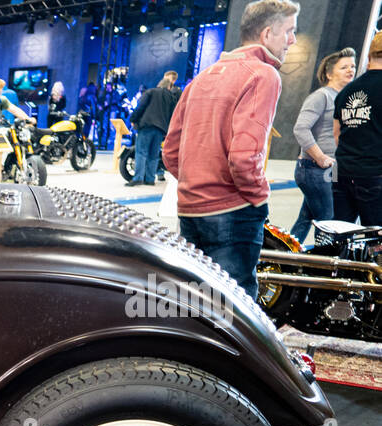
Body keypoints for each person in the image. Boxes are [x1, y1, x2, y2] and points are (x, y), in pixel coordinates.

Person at [163, 0, 299, 300]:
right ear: (266, 34)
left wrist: (196, 182)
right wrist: (258, 194)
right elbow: (244, 157)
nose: (293, 40)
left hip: (189, 207)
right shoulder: (263, 75)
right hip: (232, 211)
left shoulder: (202, 77)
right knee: (236, 310)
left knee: (195, 303)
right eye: (289, 31)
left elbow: (170, 151)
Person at [290, 48, 356, 240]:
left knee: (305, 218)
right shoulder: (322, 96)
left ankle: (289, 257)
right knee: (328, 222)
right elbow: (300, 129)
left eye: (352, 66)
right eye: (344, 67)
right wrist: (320, 158)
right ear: (329, 73)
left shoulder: (344, 98)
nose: (350, 70)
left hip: (330, 169)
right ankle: (324, 263)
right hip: (314, 169)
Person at [333, 33, 382, 227]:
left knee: (341, 234)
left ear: (369, 58)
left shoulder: (346, 91)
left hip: (342, 173)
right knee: (377, 239)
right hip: (374, 175)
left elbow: (337, 135)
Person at [127, 71, 180, 187]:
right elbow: (173, 114)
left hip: (146, 125)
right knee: (154, 154)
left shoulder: (150, 92)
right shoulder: (171, 97)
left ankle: (138, 178)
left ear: (159, 84)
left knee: (141, 152)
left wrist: (133, 119)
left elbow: (141, 107)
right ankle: (150, 179)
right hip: (161, 129)